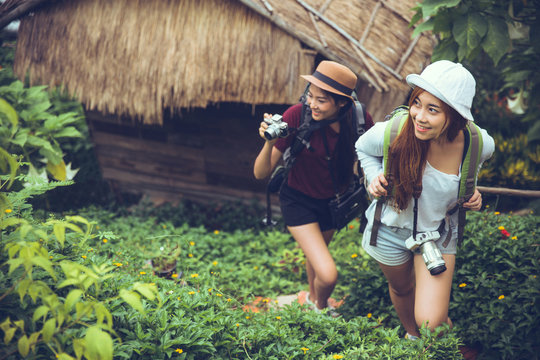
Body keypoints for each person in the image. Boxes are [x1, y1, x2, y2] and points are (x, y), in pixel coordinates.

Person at [356, 60, 494, 338]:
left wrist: (473, 194)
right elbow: (362, 148)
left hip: (438, 235)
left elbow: (467, 178)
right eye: (417, 103)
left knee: (433, 323)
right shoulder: (394, 131)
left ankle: (436, 343)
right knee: (402, 289)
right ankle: (413, 338)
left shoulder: (478, 144)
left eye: (433, 110)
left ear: (455, 116)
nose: (419, 116)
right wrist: (372, 177)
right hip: (389, 229)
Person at [253, 61, 373, 314]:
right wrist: (268, 143)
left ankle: (312, 302)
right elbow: (260, 173)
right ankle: (320, 309)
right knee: (328, 274)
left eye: (321, 100)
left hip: (332, 203)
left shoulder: (359, 120)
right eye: (310, 95)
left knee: (316, 259)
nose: (312, 104)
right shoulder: (296, 115)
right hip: (298, 201)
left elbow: (372, 160)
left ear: (342, 102)